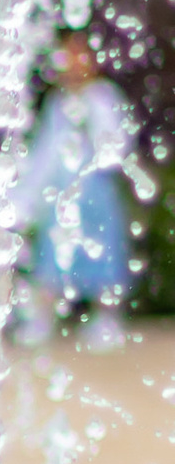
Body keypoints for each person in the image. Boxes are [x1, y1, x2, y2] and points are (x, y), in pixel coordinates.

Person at [21, 30, 140, 332]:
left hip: (96, 190)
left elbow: (117, 144)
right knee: (52, 253)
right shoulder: (56, 104)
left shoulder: (102, 97)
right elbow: (44, 153)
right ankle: (42, 317)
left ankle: (106, 319)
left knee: (103, 249)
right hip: (61, 192)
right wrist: (27, 196)